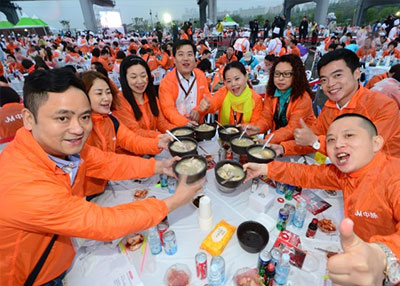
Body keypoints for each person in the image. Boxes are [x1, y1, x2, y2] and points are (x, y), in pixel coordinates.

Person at [0, 68, 204, 286]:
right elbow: (103, 223)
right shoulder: (22, 181)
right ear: (29, 119)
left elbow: (109, 162)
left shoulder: (63, 150)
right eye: (62, 117)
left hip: (59, 257)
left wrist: (159, 166)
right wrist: (174, 201)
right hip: (30, 278)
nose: (78, 128)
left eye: (84, 116)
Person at [244, 113, 400, 286]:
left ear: (376, 143)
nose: (338, 144)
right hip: (356, 261)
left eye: (349, 135)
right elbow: (308, 174)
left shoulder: (394, 175)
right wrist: (265, 169)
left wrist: (383, 256)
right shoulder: (347, 174)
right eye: (331, 140)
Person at [270, 49, 400, 158]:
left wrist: (315, 142)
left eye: (337, 75)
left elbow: (363, 152)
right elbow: (313, 135)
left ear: (356, 73)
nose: (330, 84)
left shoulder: (383, 106)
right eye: (324, 79)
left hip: (383, 176)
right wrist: (283, 148)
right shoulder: (330, 106)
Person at [80, 71, 172, 196]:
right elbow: (106, 163)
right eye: (99, 93)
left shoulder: (110, 121)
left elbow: (132, 140)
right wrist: (157, 166)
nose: (106, 98)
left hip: (105, 186)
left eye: (108, 92)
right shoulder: (77, 130)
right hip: (82, 194)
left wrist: (157, 143)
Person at [246, 54, 315, 143]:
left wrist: (267, 139)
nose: (280, 78)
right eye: (277, 74)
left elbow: (292, 129)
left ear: (296, 75)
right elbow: (266, 117)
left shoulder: (303, 98)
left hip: (299, 144)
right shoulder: (272, 92)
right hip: (277, 140)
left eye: (286, 74)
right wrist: (257, 128)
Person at [112, 55, 176, 138]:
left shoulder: (151, 97)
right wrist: (160, 136)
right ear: (125, 78)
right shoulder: (119, 102)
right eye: (133, 77)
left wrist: (179, 130)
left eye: (143, 76)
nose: (140, 81)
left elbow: (161, 123)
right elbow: (135, 132)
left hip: (152, 146)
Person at [158, 40, 211, 126]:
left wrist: (199, 110)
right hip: (178, 130)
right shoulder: (166, 82)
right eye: (181, 54)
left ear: (195, 58)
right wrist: (185, 123)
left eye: (189, 54)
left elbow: (206, 97)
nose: (185, 58)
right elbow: (168, 109)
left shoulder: (200, 75)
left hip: (199, 127)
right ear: (174, 59)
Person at [198, 61, 263, 126]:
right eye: (229, 81)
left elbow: (256, 123)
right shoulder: (223, 92)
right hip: (225, 135)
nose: (233, 84)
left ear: (246, 77)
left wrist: (246, 127)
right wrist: (207, 105)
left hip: (246, 135)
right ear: (225, 83)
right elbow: (213, 103)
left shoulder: (256, 99)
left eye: (237, 79)